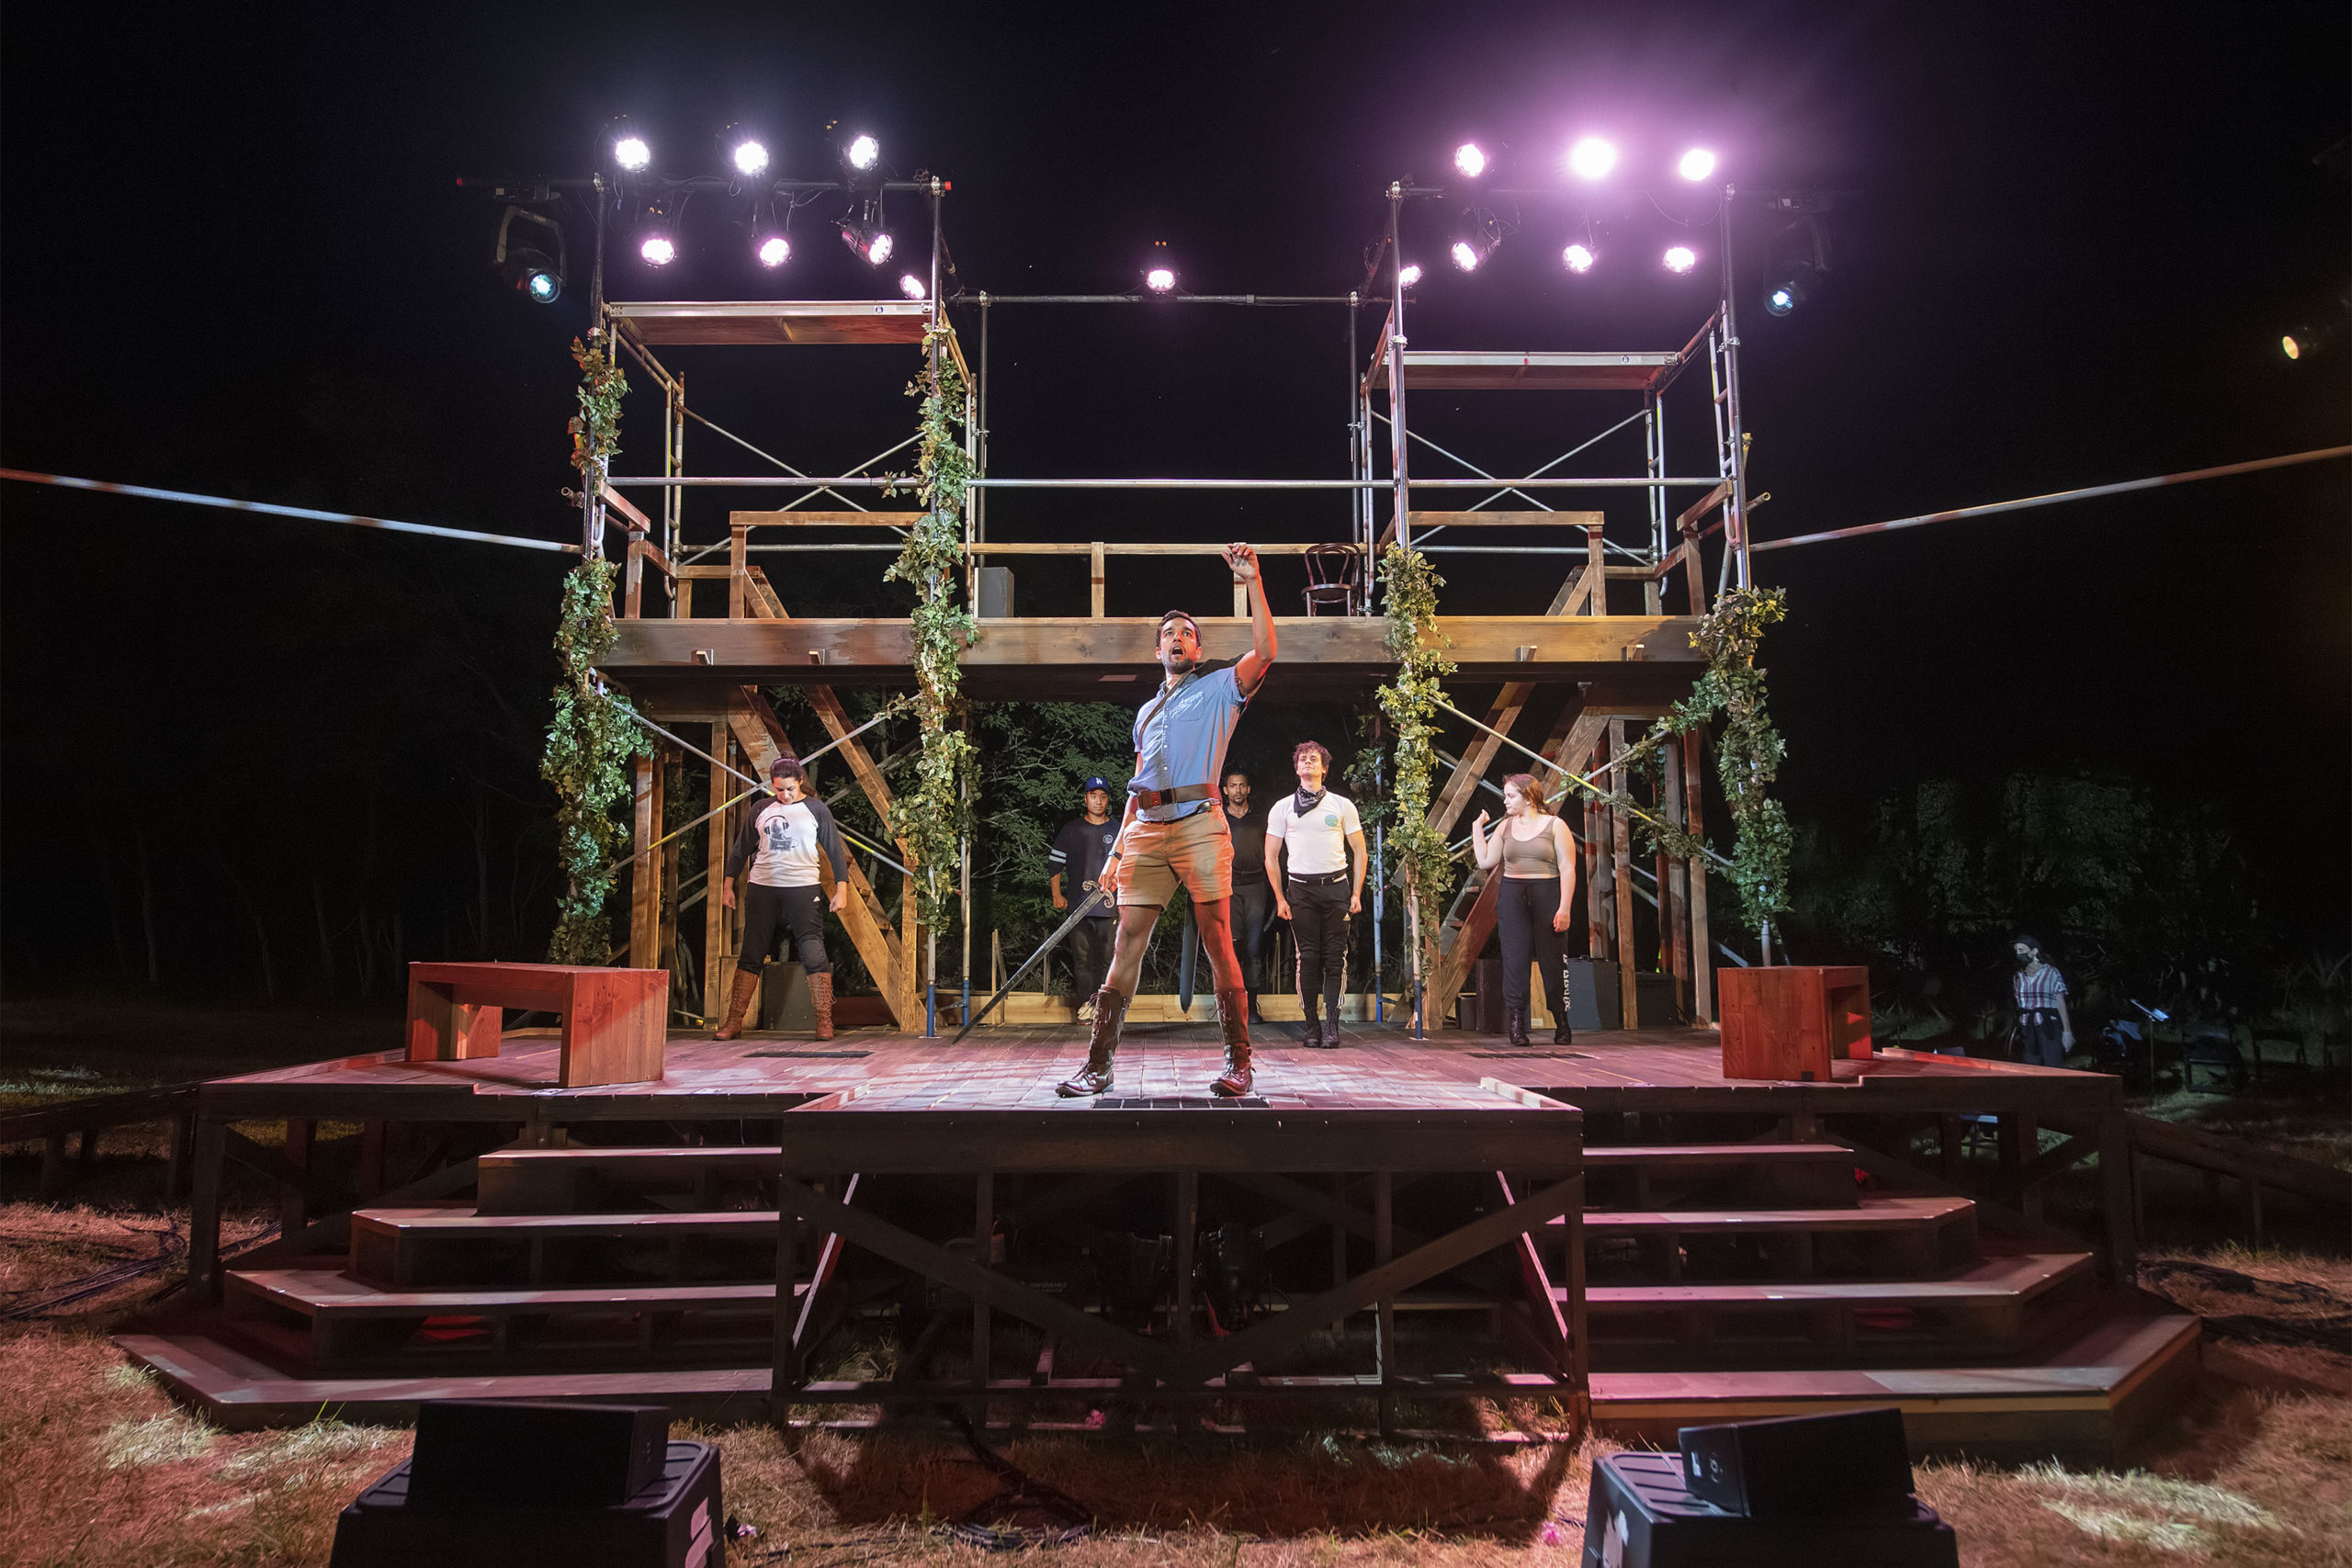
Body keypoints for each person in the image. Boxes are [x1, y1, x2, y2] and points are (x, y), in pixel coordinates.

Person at [1056, 543, 1277, 1099]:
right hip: (1147, 831)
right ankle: (1098, 1065)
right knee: (1127, 940)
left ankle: (1239, 1063)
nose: (1176, 638)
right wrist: (1113, 853)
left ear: (1197, 648)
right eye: (1168, 634)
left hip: (1201, 824)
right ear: (1158, 650)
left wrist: (1252, 581)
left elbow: (1267, 649)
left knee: (1217, 939)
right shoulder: (1145, 712)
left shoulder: (1222, 687)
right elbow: (1136, 788)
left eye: (1185, 633)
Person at [715, 756, 852, 1042]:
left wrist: (842, 888)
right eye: (778, 789)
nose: (784, 795)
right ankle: (733, 1022)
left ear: (800, 781)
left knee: (813, 950)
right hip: (763, 885)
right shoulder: (761, 809)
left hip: (802, 886)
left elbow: (835, 850)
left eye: (789, 789)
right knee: (752, 951)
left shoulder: (816, 809)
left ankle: (824, 1021)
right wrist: (728, 885)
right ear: (772, 785)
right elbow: (741, 850)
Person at [1267, 741, 1367, 1049]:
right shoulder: (1283, 807)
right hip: (1300, 890)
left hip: (1336, 888)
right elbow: (1271, 856)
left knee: (1335, 960)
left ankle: (1332, 1025)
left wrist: (1356, 892)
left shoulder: (1341, 805)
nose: (1308, 762)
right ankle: (1312, 1026)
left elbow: (1360, 851)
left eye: (1314, 759)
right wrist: (1281, 899)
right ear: (1296, 768)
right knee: (1307, 958)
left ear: (1324, 768)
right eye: (1302, 759)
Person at [1470, 773, 1578, 1047]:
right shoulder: (1505, 828)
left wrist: (1564, 907)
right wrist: (1476, 828)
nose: (1505, 801)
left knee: (1552, 960)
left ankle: (1561, 1021)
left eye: (1510, 796)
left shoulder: (1555, 825)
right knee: (1515, 959)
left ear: (1528, 798)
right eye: (1505, 796)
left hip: (1547, 893)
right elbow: (1485, 860)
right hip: (1512, 894)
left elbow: (1567, 867)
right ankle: (1517, 1023)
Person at [1047, 776, 1121, 1019]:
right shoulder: (1072, 830)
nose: (1098, 801)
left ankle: (1106, 1007)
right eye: (1093, 796)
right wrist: (1057, 894)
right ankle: (1087, 1006)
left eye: (1102, 796)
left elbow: (1129, 864)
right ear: (1085, 798)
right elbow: (1055, 863)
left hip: (1108, 906)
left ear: (1107, 800)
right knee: (1082, 959)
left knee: (1108, 958)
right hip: (1078, 905)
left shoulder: (1117, 829)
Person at [1217, 766, 1272, 1022]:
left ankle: (1252, 1006)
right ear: (1225, 790)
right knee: (1231, 949)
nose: (1237, 790)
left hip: (1256, 888)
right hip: (1228, 887)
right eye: (1232, 786)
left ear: (1248, 789)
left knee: (1253, 948)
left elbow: (1274, 855)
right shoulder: (1218, 820)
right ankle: (1231, 1006)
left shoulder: (1262, 819)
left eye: (1242, 785)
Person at [2010, 936, 2075, 1068]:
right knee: (2031, 1067)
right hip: (2027, 1028)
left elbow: (2060, 1001)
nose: (2018, 954)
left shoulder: (2051, 972)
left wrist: (2067, 1032)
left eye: (2021, 950)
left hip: (2048, 1025)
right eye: (2016, 950)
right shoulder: (2018, 976)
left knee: (2052, 1066)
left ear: (2034, 951)